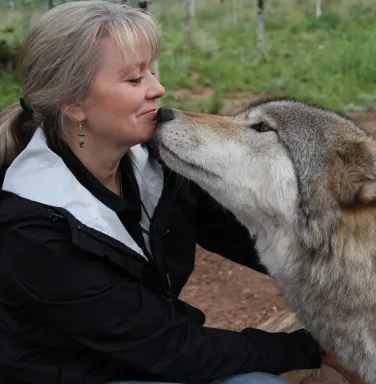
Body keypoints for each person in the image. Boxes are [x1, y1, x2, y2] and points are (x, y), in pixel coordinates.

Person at [0, 2, 363, 384]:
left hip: (142, 353)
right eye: (134, 80)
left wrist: (353, 269)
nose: (157, 88)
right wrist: (313, 349)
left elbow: (243, 231)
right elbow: (172, 348)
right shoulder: (34, 229)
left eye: (150, 71)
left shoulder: (154, 162)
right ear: (74, 105)